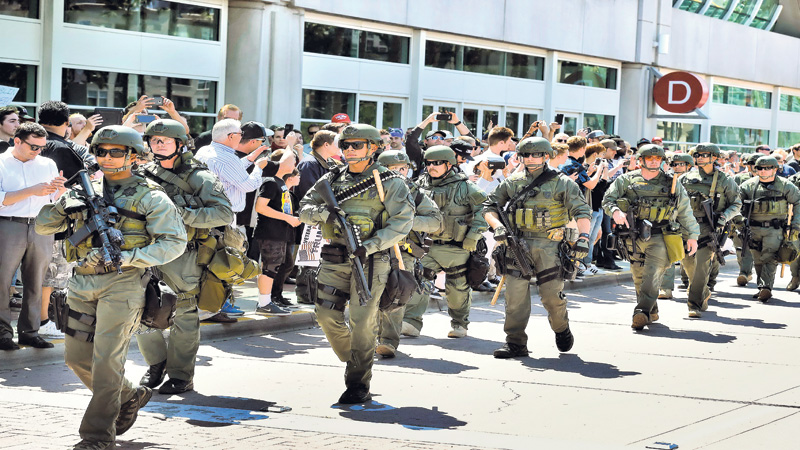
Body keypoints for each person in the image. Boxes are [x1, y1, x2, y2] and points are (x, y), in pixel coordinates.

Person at [35, 125, 187, 449]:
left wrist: (132, 256)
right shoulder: (80, 190)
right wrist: (63, 207)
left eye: (115, 152)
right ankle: (130, 394)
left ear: (133, 156)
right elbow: (42, 224)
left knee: (107, 362)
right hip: (81, 281)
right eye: (101, 151)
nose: (106, 157)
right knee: (76, 358)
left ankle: (97, 436)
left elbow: (174, 242)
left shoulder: (150, 196)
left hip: (124, 283)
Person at [299, 123, 414, 404]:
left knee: (362, 321)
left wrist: (370, 245)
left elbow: (402, 223)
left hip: (372, 262)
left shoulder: (391, 183)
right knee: (325, 314)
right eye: (345, 145)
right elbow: (303, 208)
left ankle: (357, 381)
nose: (349, 150)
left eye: (356, 145)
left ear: (373, 148)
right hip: (335, 257)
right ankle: (354, 356)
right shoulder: (332, 178)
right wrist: (327, 215)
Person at [136, 119, 233, 395]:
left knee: (184, 314)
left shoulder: (199, 177)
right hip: (148, 251)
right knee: (139, 309)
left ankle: (180, 375)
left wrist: (181, 214)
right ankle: (156, 363)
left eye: (164, 141)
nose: (158, 145)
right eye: (154, 140)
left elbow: (224, 213)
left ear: (181, 144)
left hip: (184, 255)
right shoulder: (144, 174)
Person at [483, 137, 591, 358]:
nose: (530, 159)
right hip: (516, 244)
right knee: (514, 298)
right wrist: (497, 227)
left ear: (546, 156)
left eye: (536, 154)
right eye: (526, 154)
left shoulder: (562, 183)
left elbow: (582, 211)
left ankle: (561, 328)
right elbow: (489, 206)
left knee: (551, 296)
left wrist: (584, 238)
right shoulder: (512, 182)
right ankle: (515, 342)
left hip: (550, 246)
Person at [602, 144, 699, 330]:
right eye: (650, 158)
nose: (654, 161)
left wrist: (692, 236)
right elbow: (608, 199)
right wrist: (615, 211)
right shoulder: (626, 180)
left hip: (660, 235)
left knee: (653, 272)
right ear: (641, 160)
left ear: (662, 161)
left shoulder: (672, 182)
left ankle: (642, 311)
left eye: (658, 159)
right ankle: (651, 309)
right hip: (633, 236)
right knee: (638, 275)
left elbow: (685, 211)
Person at [408, 146, 487, 338]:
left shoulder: (465, 187)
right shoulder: (418, 185)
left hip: (456, 247)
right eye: (428, 163)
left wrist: (473, 236)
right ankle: (410, 322)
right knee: (419, 281)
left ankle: (459, 323)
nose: (431, 167)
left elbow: (485, 210)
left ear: (449, 164)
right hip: (426, 246)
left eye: (437, 163)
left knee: (457, 288)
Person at [0, 122, 66, 351]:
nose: (38, 151)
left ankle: (30, 332)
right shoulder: (1, 162)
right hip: (8, 225)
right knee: (2, 281)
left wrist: (60, 189)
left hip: (40, 226)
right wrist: (32, 190)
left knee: (37, 281)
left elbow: (54, 199)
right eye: (33, 147)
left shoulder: (47, 163)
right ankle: (2, 333)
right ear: (16, 141)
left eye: (41, 147)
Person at [375, 150, 442, 357]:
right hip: (371, 247)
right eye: (392, 169)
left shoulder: (415, 192)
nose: (399, 172)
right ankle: (365, 337)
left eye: (403, 168)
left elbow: (435, 221)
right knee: (366, 293)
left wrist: (405, 221)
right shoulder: (367, 189)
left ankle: (388, 341)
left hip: (402, 251)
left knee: (395, 294)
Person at [679, 144, 741, 317]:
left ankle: (694, 305)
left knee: (701, 267)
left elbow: (736, 204)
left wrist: (724, 217)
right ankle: (702, 291)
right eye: (697, 155)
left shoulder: (725, 180)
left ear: (714, 157)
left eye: (704, 155)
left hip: (709, 228)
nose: (700, 158)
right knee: (688, 265)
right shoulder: (685, 178)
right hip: (686, 227)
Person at [738, 156, 800, 302]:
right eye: (760, 168)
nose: (763, 171)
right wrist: (739, 222)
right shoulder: (748, 186)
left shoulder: (786, 185)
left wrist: (796, 226)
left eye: (767, 168)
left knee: (769, 257)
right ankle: (762, 287)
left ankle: (766, 287)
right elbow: (736, 204)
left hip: (775, 228)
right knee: (757, 259)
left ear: (775, 169)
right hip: (752, 228)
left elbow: (797, 203)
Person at [294, 129, 343, 305]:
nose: (342, 147)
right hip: (312, 218)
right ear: (326, 145)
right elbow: (308, 193)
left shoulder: (325, 163)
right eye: (337, 143)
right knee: (309, 257)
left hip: (322, 217)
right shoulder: (309, 164)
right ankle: (306, 293)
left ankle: (313, 291)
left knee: (317, 257)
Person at [253, 149, 299, 314]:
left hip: (279, 232)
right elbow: (260, 207)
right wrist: (287, 218)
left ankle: (268, 301)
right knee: (269, 267)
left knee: (276, 266)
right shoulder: (271, 182)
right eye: (293, 160)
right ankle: (264, 304)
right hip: (269, 232)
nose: (295, 164)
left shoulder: (279, 182)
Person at [658, 152, 694, 299]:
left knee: (691, 258)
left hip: (690, 222)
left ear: (689, 165)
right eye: (674, 164)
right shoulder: (665, 180)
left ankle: (695, 286)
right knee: (668, 255)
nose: (677, 167)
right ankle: (665, 288)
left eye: (681, 164)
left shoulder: (695, 180)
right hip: (670, 222)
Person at [733, 153, 759, 286]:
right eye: (752, 164)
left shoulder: (770, 179)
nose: (755, 167)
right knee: (741, 246)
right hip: (741, 216)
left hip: (761, 218)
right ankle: (744, 272)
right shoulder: (739, 178)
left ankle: (750, 273)